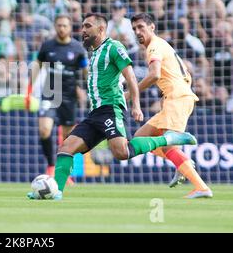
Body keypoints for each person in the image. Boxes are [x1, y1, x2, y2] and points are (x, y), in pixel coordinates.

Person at [28, 13, 197, 200]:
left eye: (87, 26)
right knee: (66, 148)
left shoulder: (114, 47)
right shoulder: (94, 52)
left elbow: (131, 77)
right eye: (83, 26)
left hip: (111, 108)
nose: (83, 30)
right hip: (95, 114)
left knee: (122, 152)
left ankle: (168, 139)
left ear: (101, 29)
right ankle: (56, 192)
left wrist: (136, 105)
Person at [129, 13, 212, 199]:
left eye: (141, 27)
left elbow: (155, 75)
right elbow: (183, 73)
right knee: (139, 138)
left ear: (152, 27)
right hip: (175, 98)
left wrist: (131, 93)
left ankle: (201, 187)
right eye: (134, 29)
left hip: (177, 98)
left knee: (168, 146)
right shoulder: (161, 45)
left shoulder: (154, 46)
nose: (137, 32)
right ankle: (183, 163)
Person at [26, 15, 87, 178]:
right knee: (44, 129)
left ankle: (64, 172)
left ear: (69, 27)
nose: (62, 28)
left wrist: (84, 89)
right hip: (50, 94)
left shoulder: (77, 49)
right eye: (59, 25)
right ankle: (51, 166)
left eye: (65, 26)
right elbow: (37, 66)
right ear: (55, 26)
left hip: (69, 97)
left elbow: (85, 73)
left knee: (68, 139)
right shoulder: (47, 46)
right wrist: (28, 90)